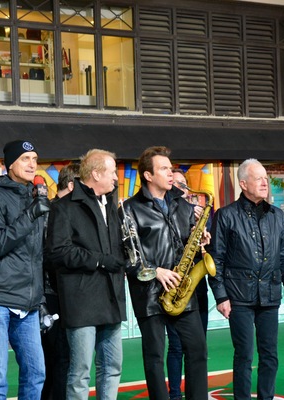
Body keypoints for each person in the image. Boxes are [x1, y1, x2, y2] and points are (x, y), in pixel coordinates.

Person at [208, 158, 284, 400]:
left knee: (270, 355)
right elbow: (215, 260)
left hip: (269, 296)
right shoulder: (226, 215)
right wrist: (221, 295)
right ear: (243, 184)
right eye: (258, 178)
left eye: (265, 178)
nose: (264, 182)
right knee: (244, 355)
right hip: (238, 298)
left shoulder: (277, 216)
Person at [123, 146, 208, 400]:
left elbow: (184, 243)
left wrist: (200, 239)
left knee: (197, 350)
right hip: (149, 293)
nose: (171, 173)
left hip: (182, 289)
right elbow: (127, 255)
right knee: (155, 357)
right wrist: (155, 271)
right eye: (164, 169)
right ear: (148, 175)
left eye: (171, 168)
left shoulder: (182, 204)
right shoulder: (129, 209)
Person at [45, 150, 127, 400]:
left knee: (112, 368)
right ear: (96, 174)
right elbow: (58, 252)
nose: (116, 178)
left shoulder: (112, 205)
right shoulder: (63, 207)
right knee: (80, 373)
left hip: (111, 297)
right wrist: (101, 261)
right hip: (81, 301)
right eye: (112, 172)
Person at [0, 140, 50, 400]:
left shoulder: (36, 198)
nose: (32, 164)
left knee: (36, 372)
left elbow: (38, 254)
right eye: (25, 158)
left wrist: (41, 297)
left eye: (35, 158)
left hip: (28, 302)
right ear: (10, 165)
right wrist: (30, 215)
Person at [166, 168, 209, 400]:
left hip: (197, 287)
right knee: (176, 346)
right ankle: (174, 394)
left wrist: (203, 237)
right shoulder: (167, 211)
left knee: (198, 347)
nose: (183, 188)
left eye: (185, 184)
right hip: (176, 286)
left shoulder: (197, 212)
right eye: (178, 183)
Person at [41, 163, 79, 400]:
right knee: (58, 360)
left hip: (64, 294)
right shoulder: (50, 212)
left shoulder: (61, 210)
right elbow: (45, 256)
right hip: (51, 296)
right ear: (73, 185)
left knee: (60, 361)